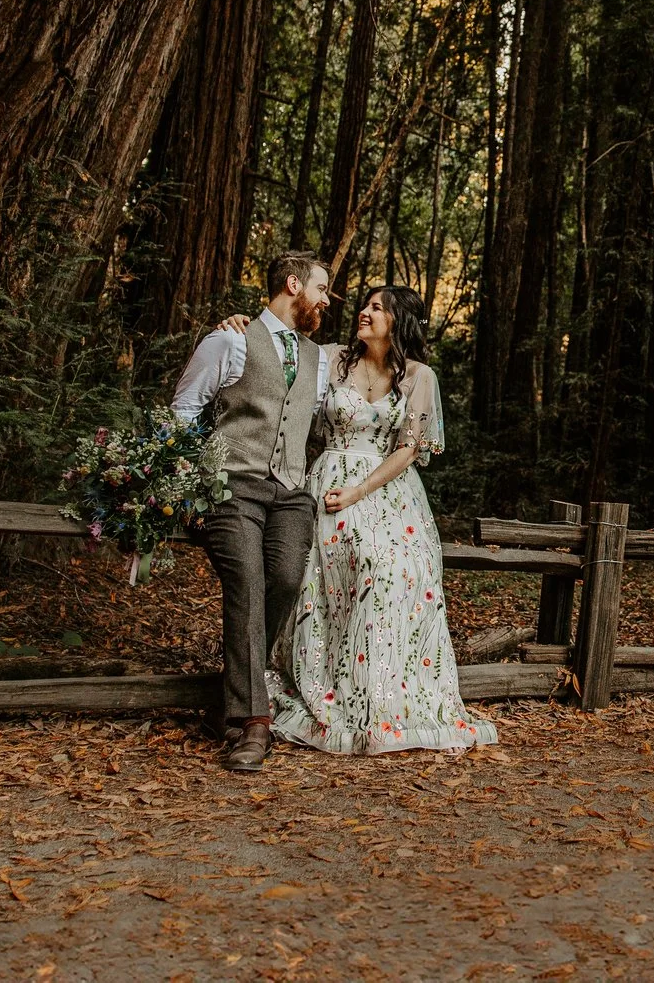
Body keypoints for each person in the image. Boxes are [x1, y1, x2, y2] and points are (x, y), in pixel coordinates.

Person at [268, 285, 496, 756]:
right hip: (327, 480)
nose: (364, 312)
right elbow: (278, 344)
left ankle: (382, 694)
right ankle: (320, 681)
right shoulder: (331, 359)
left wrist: (359, 490)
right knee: (319, 576)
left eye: (377, 307)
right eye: (365, 304)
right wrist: (236, 326)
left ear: (399, 321)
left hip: (386, 491)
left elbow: (409, 449)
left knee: (389, 569)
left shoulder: (419, 377)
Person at [170, 250, 332, 773]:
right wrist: (189, 477)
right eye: (321, 290)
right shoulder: (231, 339)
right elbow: (184, 409)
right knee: (246, 583)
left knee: (284, 578)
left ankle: (234, 698)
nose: (325, 301)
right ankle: (252, 724)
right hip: (232, 487)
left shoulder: (319, 358)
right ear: (293, 285)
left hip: (290, 492)